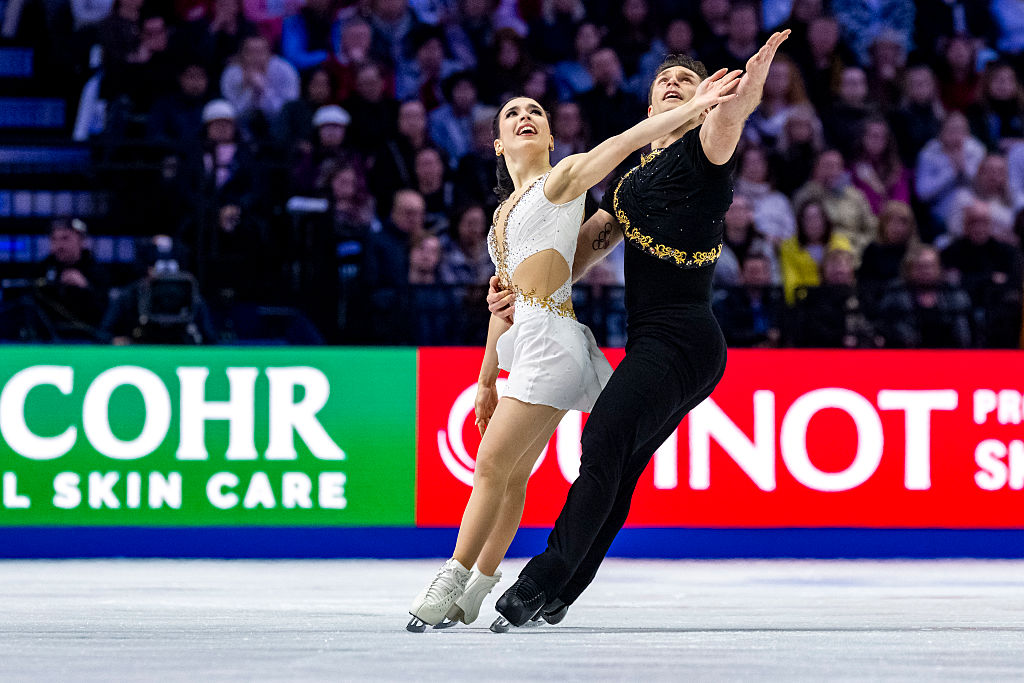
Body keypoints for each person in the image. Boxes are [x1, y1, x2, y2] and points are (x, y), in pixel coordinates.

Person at [407, 68, 743, 632]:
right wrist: (486, 378)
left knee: (492, 464)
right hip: (531, 339)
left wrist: (693, 109)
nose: (525, 117)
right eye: (512, 113)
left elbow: (622, 143)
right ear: (496, 143)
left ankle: (451, 581)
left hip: (557, 340)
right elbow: (506, 303)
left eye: (535, 112)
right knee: (514, 474)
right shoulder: (501, 218)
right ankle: (483, 587)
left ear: (551, 135)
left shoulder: (562, 178)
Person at [487, 32, 791, 629]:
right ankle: (562, 592)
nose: (675, 84)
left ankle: (541, 578)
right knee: (619, 464)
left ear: (702, 99)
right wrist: (521, 287)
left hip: (685, 339)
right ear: (652, 108)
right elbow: (577, 253)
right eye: (664, 82)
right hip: (656, 341)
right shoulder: (630, 177)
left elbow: (728, 121)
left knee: (603, 439)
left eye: (688, 81)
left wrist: (744, 93)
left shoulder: (706, 151)